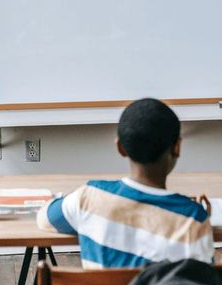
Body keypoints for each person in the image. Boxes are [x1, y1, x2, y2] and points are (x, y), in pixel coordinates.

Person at [36, 98, 214, 267]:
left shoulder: (88, 198)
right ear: (177, 147)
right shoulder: (193, 219)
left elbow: (44, 219)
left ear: (120, 147)